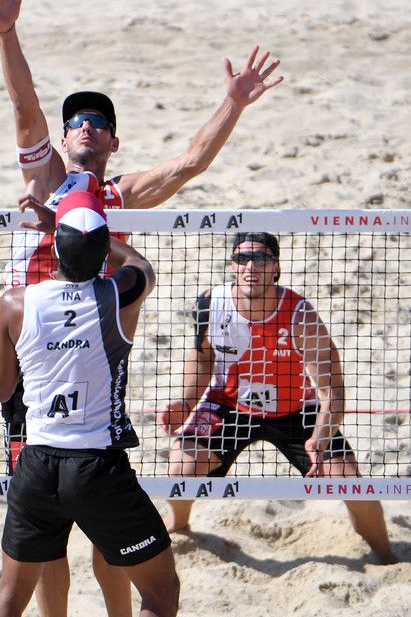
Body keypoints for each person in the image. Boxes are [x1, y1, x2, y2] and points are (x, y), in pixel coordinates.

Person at [0, 0, 284, 616]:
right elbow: (24, 107)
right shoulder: (46, 177)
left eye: (97, 122)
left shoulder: (122, 194)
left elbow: (190, 162)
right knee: (44, 542)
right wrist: (7, 32)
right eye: (76, 122)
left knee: (104, 528)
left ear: (113, 141)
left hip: (92, 356)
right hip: (33, 356)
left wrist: (233, 102)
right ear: (64, 138)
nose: (85, 127)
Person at [0, 191, 180, 617]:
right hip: (97, 468)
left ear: (56, 248)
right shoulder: (118, 295)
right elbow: (141, 266)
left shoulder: (15, 304)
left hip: (36, 466)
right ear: (102, 252)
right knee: (162, 591)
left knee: (9, 596)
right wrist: (84, 233)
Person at [158, 232, 398, 565]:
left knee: (350, 483)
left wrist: (320, 437)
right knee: (182, 468)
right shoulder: (210, 304)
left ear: (276, 268)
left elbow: (333, 392)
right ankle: (180, 521)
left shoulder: (301, 315)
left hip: (295, 409)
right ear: (232, 266)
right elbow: (202, 358)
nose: (251, 266)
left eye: (261, 259)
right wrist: (185, 403)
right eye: (243, 258)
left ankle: (386, 556)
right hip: (230, 406)